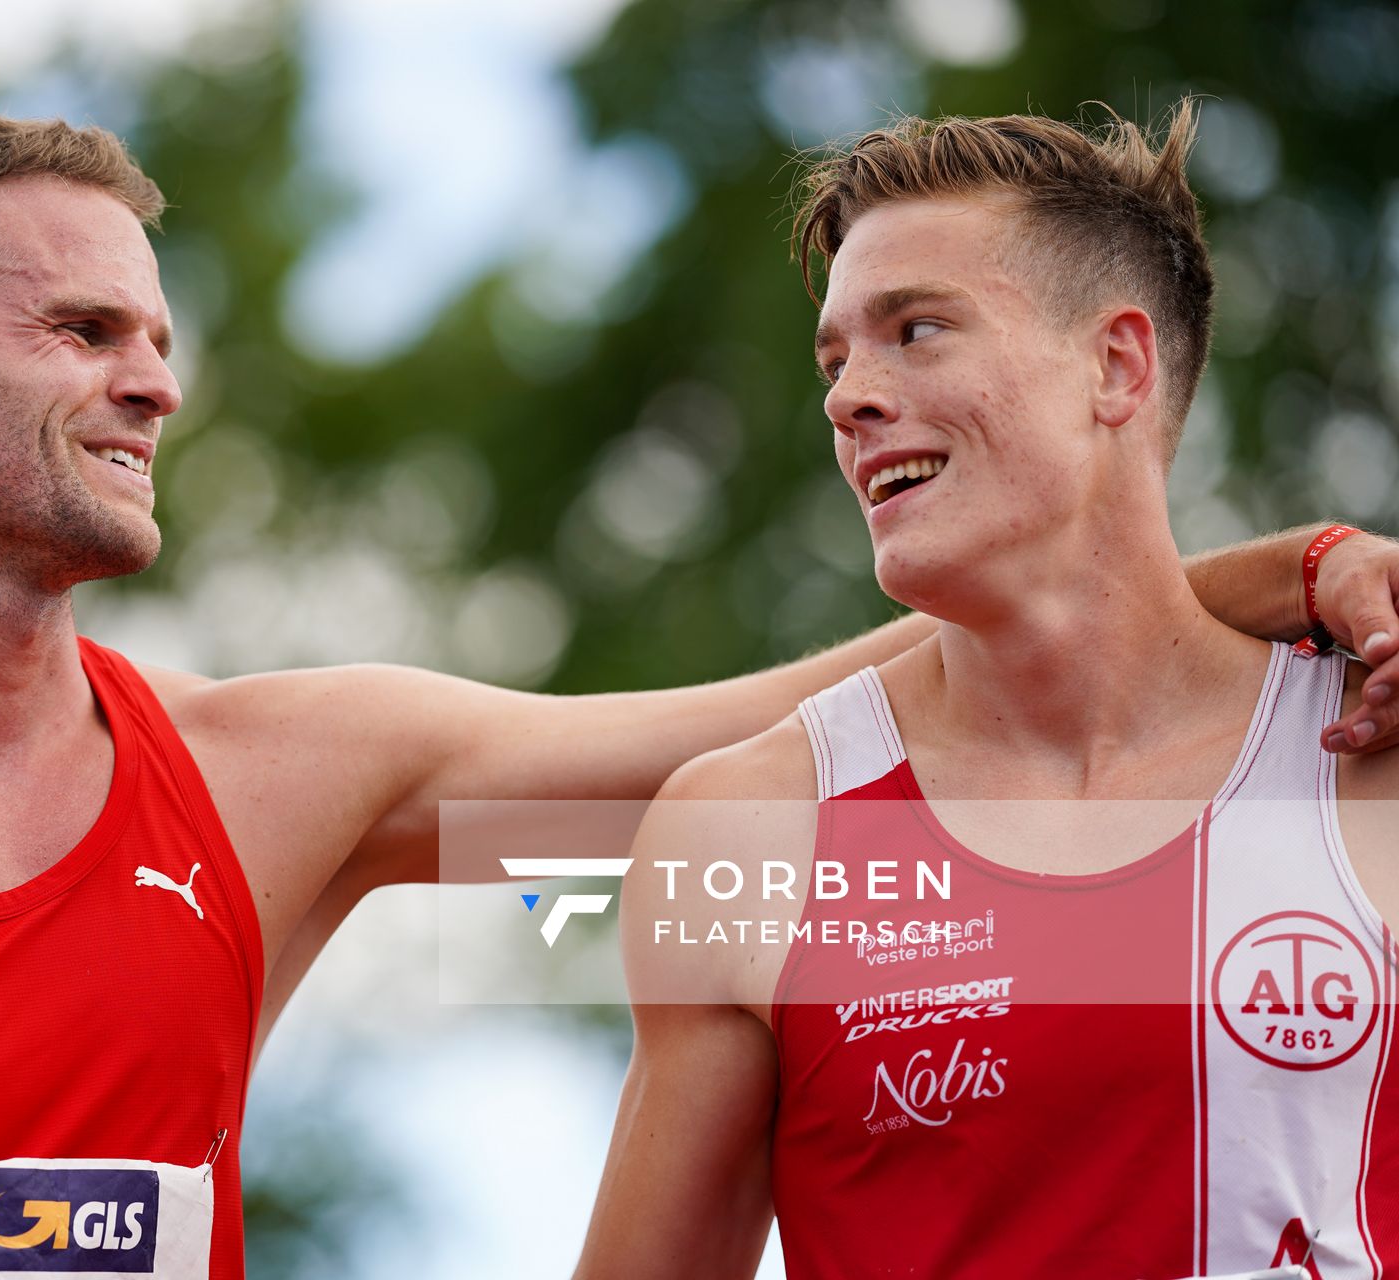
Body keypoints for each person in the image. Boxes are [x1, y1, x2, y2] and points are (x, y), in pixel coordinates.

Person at [0, 112, 1392, 1280]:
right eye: (82, 330)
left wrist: (1249, 590)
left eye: (159, 336)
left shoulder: (272, 783)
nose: (155, 383)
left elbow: (795, 723)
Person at [575, 102, 1399, 1279]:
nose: (848, 394)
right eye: (837, 355)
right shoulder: (753, 826)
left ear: (1116, 365)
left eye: (915, 331)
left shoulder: (1369, 738)